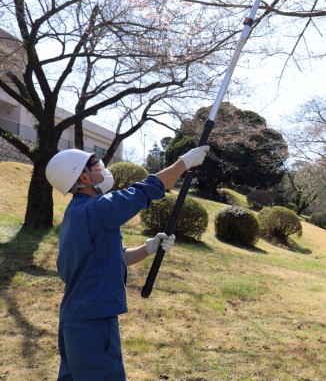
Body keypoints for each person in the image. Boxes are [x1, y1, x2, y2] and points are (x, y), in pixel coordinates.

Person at [45, 145, 209, 380]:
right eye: (96, 165)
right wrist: (184, 162)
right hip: (94, 322)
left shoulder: (76, 213)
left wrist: (149, 247)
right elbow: (144, 191)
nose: (103, 168)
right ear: (84, 177)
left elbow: (115, 257)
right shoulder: (97, 209)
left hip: (74, 320)